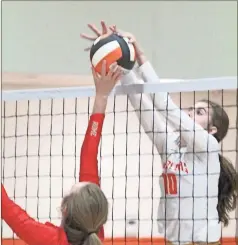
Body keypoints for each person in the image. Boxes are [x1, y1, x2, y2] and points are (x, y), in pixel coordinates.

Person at [81, 22, 237, 244]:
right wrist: (120, 60)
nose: (191, 112)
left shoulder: (208, 147)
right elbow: (141, 103)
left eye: (200, 112)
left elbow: (165, 105)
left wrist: (140, 54)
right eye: (192, 108)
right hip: (172, 241)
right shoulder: (171, 144)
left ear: (212, 130)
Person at [1, 61, 122, 245]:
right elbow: (88, 157)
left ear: (65, 209)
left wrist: (102, 96)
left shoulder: (53, 239)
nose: (82, 182)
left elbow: (8, 208)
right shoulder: (92, 231)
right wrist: (102, 97)